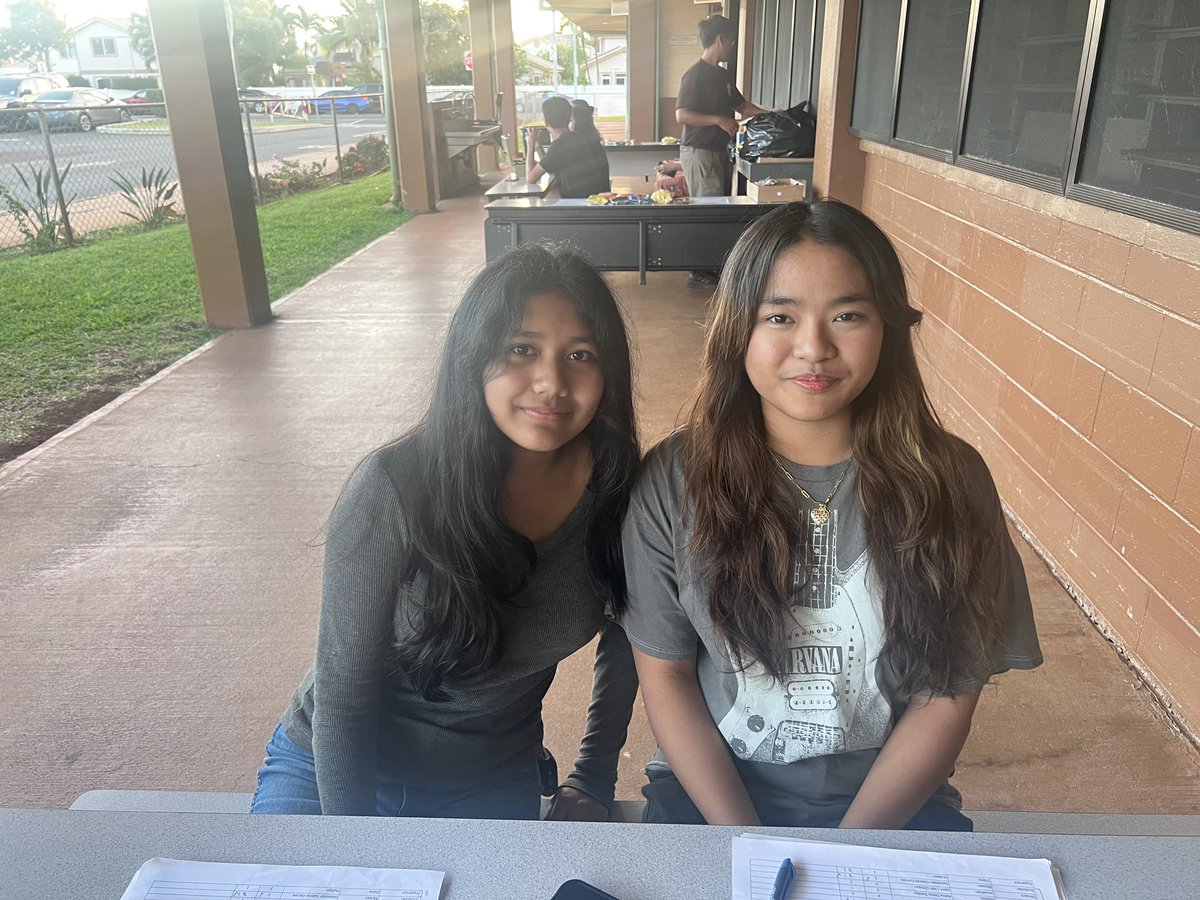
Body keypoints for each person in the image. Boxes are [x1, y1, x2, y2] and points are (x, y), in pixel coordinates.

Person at [621, 200, 1042, 830]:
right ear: (739, 329)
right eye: (780, 316)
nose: (813, 347)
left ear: (888, 328)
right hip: (710, 800)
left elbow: (944, 698)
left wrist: (848, 855)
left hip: (893, 806)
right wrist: (746, 844)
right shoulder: (675, 479)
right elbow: (670, 677)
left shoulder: (951, 482)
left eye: (847, 315)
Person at [251, 244, 641, 820]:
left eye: (580, 353)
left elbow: (629, 635)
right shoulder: (395, 485)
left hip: (488, 780)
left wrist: (592, 777)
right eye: (521, 349)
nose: (551, 382)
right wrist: (354, 855)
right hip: (332, 770)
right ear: (474, 356)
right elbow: (343, 692)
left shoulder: (620, 490)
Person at [676, 15, 766, 288]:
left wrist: (775, 116)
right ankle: (700, 269)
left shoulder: (722, 75)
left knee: (717, 206)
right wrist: (717, 119)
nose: (733, 46)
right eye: (732, 41)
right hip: (699, 151)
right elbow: (682, 114)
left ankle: (712, 264)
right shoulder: (695, 74)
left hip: (717, 151)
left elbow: (742, 106)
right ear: (720, 40)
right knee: (707, 209)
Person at [527, 96, 610, 199]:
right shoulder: (577, 138)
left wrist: (530, 145)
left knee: (543, 199)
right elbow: (551, 166)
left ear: (546, 122)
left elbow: (531, 178)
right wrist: (538, 146)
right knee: (551, 193)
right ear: (569, 118)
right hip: (590, 200)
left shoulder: (560, 145)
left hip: (578, 205)